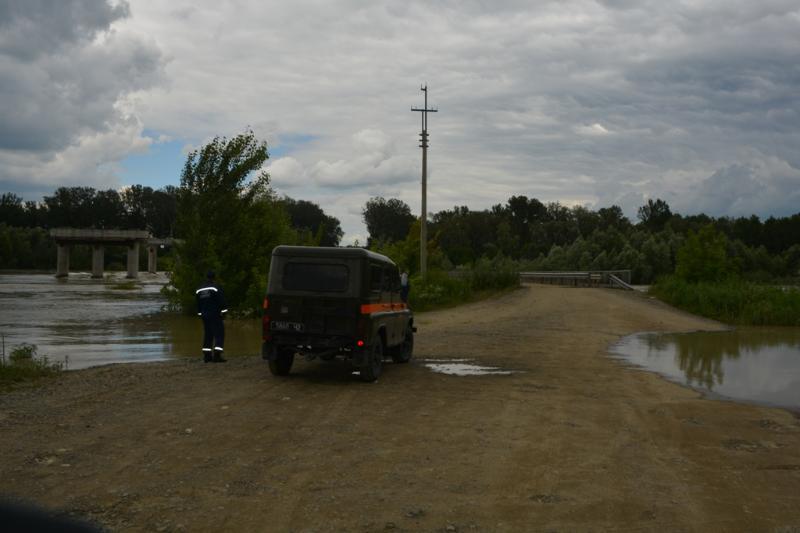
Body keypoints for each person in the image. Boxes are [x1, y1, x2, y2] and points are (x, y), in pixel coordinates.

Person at [196, 270, 227, 362]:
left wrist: (200, 314)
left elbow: (198, 304)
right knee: (219, 334)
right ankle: (217, 355)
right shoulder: (215, 288)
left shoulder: (199, 289)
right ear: (214, 278)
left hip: (204, 315)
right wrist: (224, 312)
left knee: (208, 334)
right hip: (215, 314)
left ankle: (207, 356)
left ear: (206, 277)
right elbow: (221, 300)